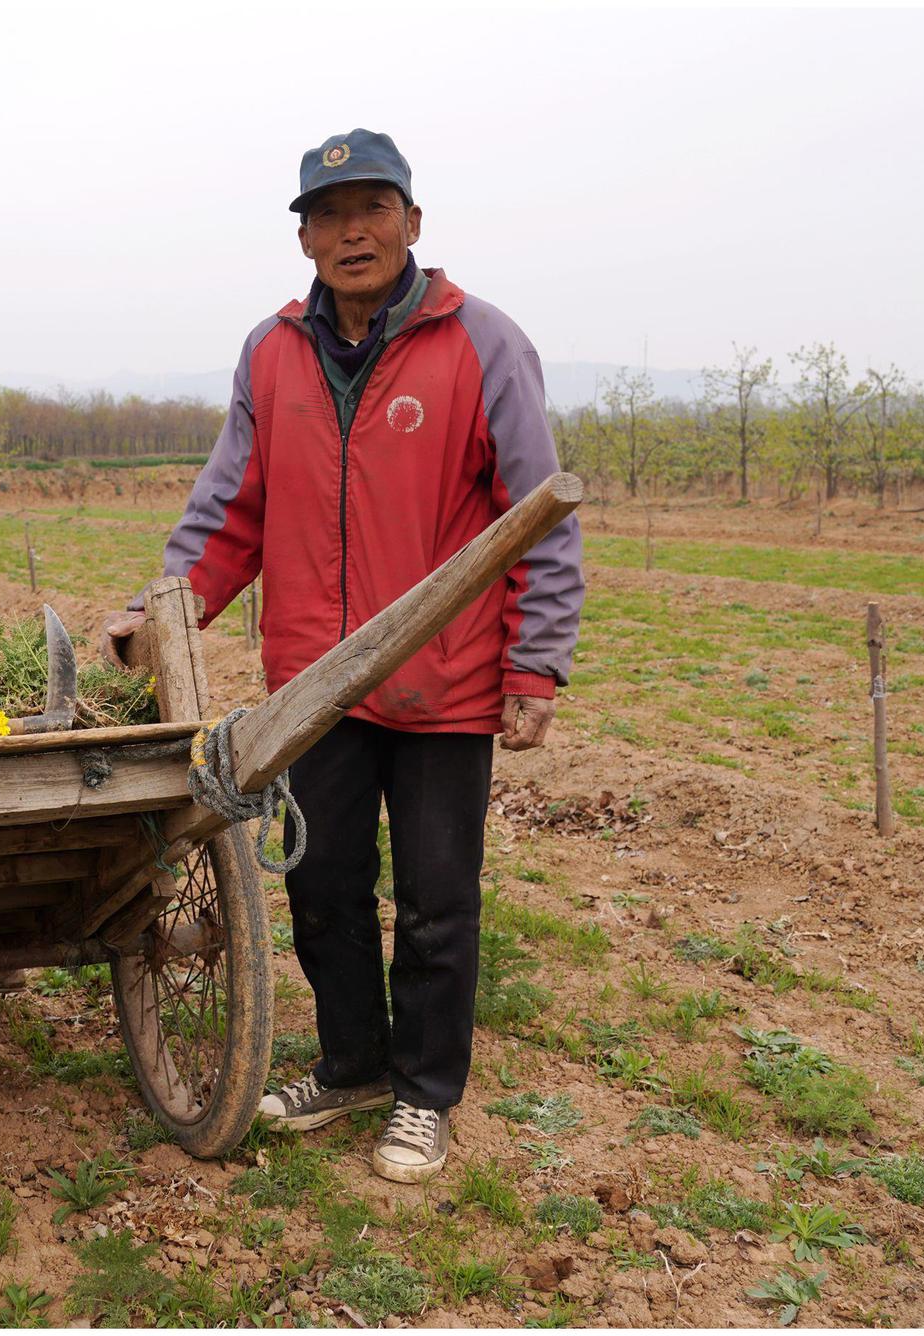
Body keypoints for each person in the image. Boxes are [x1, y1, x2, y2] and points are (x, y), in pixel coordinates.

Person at [102, 128, 583, 1183]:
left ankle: (422, 1095)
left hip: (443, 683)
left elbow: (536, 515)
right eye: (326, 214)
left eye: (372, 207)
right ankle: (353, 1062)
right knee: (321, 882)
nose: (349, 230)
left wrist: (534, 665)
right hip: (314, 688)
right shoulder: (272, 352)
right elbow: (228, 511)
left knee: (434, 898)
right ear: (304, 237)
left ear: (412, 221)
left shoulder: (479, 344)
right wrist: (163, 617)